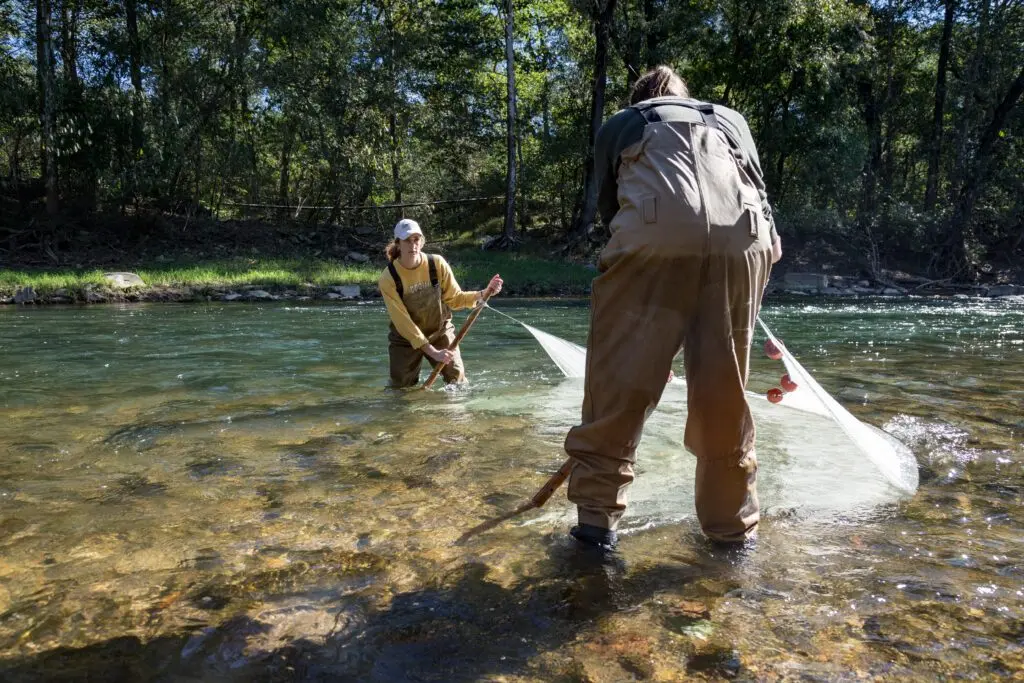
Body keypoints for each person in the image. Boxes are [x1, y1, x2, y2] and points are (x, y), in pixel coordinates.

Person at [563, 66, 783, 550]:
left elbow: (611, 211)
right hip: (744, 242)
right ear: (688, 96)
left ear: (639, 98)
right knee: (723, 395)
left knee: (615, 388)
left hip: (655, 236)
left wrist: (650, 345)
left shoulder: (622, 123)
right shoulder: (731, 121)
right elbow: (770, 230)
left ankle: (595, 536)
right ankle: (731, 539)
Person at [379, 218, 503, 388]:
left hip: (440, 332)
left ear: (421, 242)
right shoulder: (388, 277)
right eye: (407, 240)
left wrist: (484, 292)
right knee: (400, 389)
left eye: (416, 240)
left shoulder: (436, 263)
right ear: (398, 244)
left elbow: (456, 299)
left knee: (457, 382)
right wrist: (432, 352)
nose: (413, 245)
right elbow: (403, 323)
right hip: (405, 339)